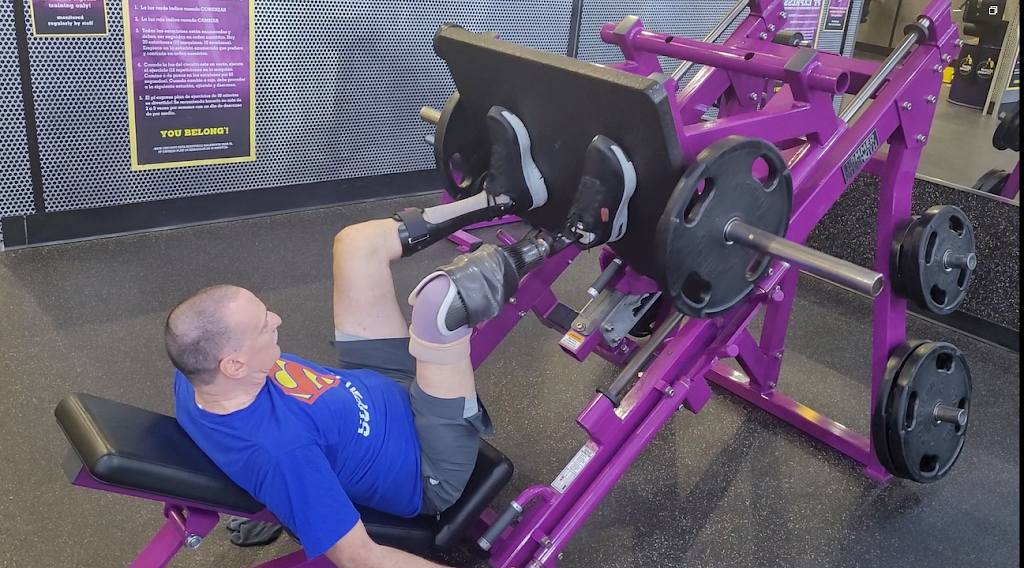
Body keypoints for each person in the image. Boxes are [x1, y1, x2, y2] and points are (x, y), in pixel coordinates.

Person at [165, 107, 636, 567]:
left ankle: (500, 198)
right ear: (233, 365)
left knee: (356, 244)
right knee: (440, 301)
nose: (277, 318)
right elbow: (360, 557)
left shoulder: (195, 375)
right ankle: (578, 233)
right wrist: (290, 498)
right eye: (262, 325)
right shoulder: (284, 456)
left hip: (376, 382)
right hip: (427, 461)